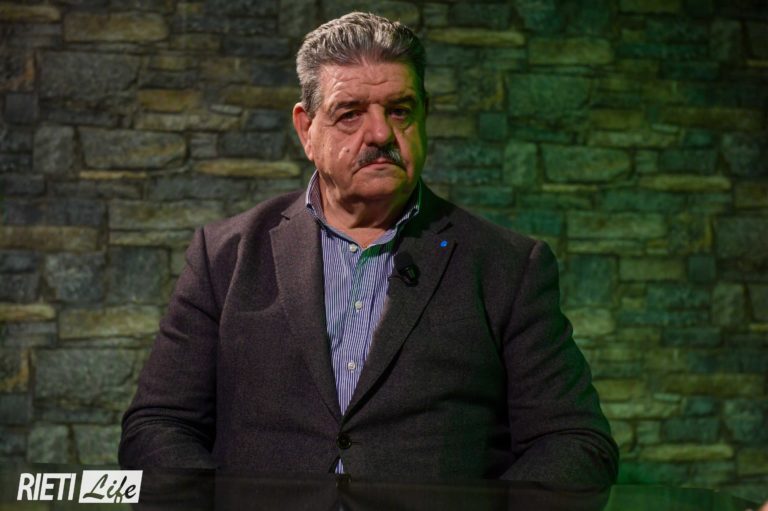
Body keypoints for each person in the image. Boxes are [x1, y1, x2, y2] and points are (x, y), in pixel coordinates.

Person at [119, 12, 618, 487]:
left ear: (425, 117)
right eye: (350, 114)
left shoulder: (506, 266)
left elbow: (575, 442)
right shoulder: (224, 257)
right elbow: (158, 426)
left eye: (400, 111)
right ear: (306, 129)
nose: (380, 133)